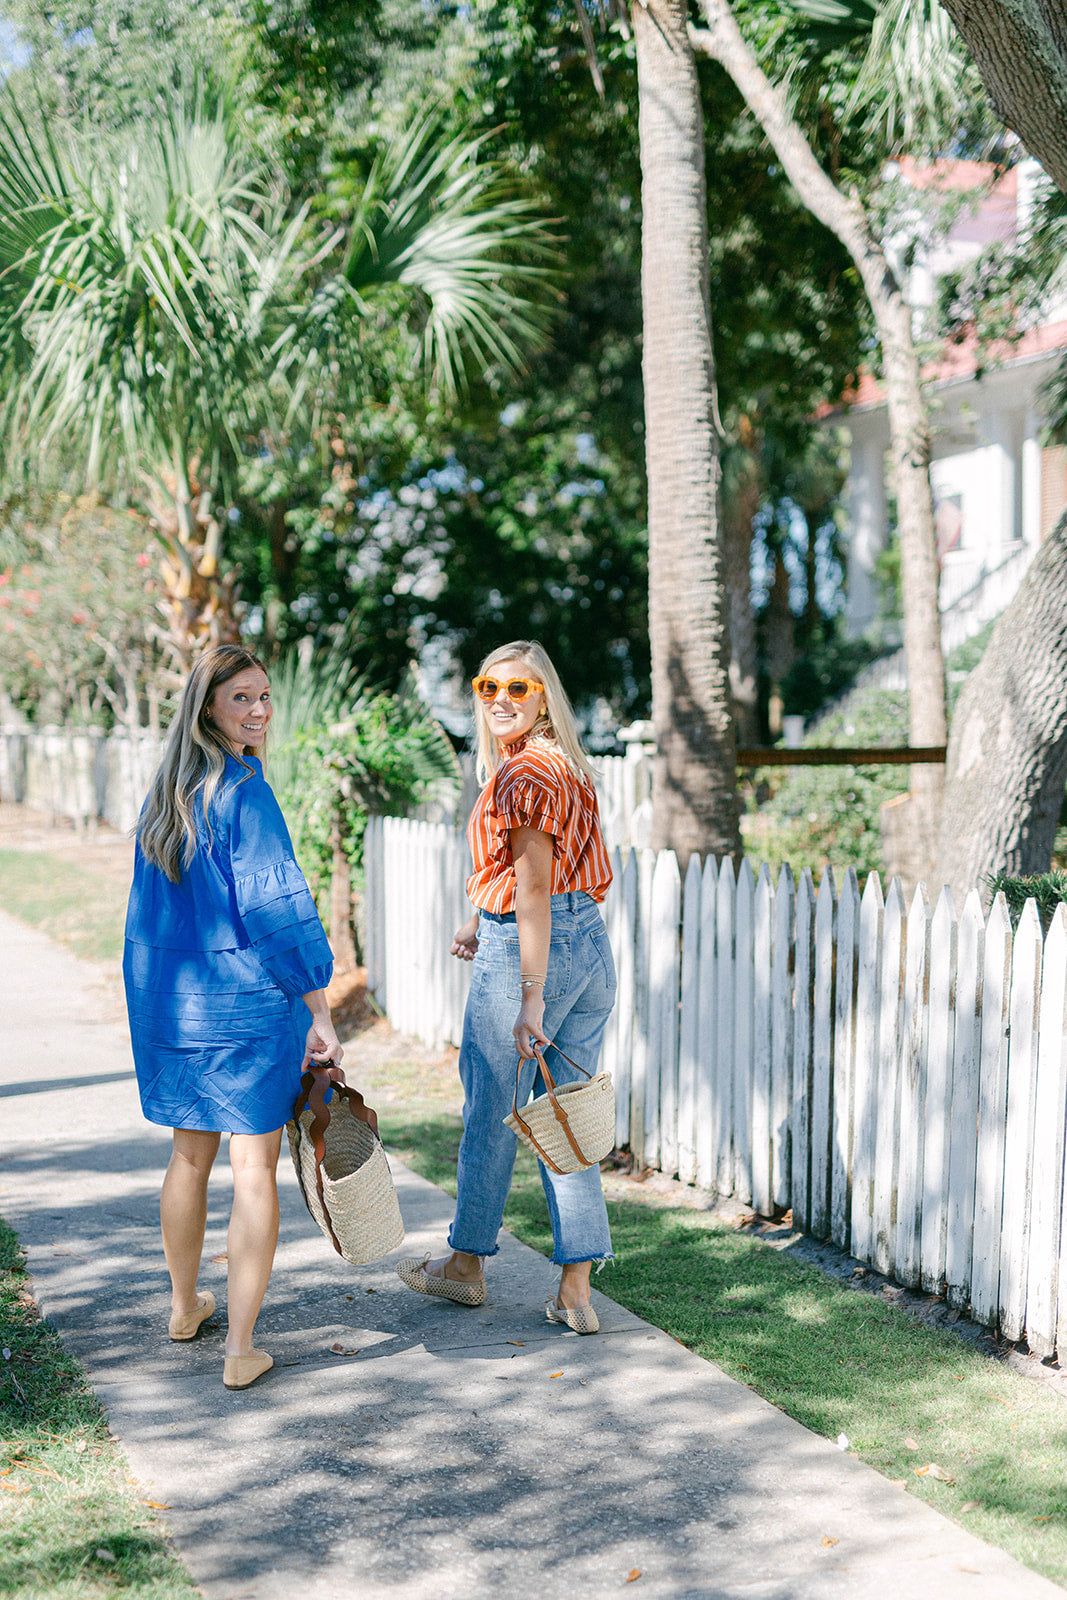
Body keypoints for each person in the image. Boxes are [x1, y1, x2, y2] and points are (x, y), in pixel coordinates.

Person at [123, 644, 343, 1390]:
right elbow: (279, 907)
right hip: (245, 1004)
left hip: (177, 1004)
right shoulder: (243, 789)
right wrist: (318, 1004)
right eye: (239, 698)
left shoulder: (168, 792)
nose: (256, 711)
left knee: (189, 1155)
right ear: (207, 707)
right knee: (251, 1169)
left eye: (263, 697)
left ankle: (186, 1306)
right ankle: (240, 1347)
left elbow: (145, 919)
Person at [396, 640, 616, 1333]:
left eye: (518, 689)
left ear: (543, 696)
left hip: (534, 953)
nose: (500, 701)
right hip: (588, 945)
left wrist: (528, 994)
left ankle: (464, 1269)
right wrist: (476, 916)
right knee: (564, 1115)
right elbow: (536, 873)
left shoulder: (524, 778)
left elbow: (532, 887)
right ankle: (575, 1290)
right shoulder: (567, 767)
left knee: (491, 1114)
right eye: (488, 687)